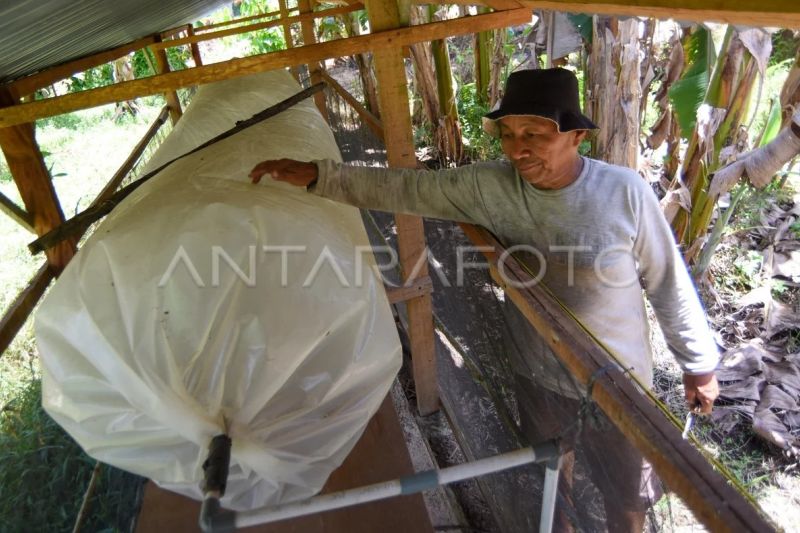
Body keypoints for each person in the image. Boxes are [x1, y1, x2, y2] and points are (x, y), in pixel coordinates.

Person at [249, 68, 720, 532]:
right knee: (552, 477)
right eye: (509, 134)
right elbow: (407, 188)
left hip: (620, 381)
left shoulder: (624, 193)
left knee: (627, 496)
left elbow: (667, 281)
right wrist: (318, 176)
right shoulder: (488, 186)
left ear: (577, 136)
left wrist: (697, 364)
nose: (518, 149)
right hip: (536, 371)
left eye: (535, 134)